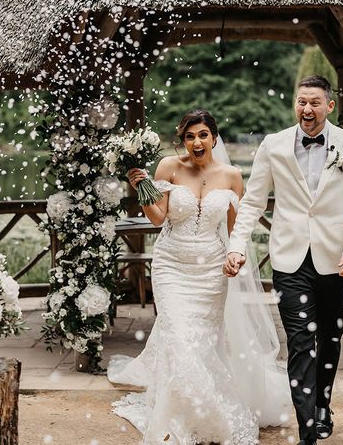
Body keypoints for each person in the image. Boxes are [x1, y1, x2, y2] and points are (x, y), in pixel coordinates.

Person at [107, 109, 291, 445]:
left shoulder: (233, 175)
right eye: (190, 136)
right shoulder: (168, 168)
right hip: (171, 265)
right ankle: (187, 416)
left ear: (214, 138)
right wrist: (142, 190)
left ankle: (192, 409)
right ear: (183, 140)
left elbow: (238, 230)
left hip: (211, 271)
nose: (196, 142)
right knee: (178, 338)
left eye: (203, 134)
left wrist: (235, 257)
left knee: (203, 343)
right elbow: (159, 219)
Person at [224, 76, 343, 445]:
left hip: (336, 259)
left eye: (314, 103)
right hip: (289, 260)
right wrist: (237, 244)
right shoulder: (273, 145)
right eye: (301, 102)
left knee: (329, 336)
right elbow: (253, 202)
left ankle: (323, 403)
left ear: (329, 106)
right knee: (300, 340)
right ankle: (307, 426)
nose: (306, 110)